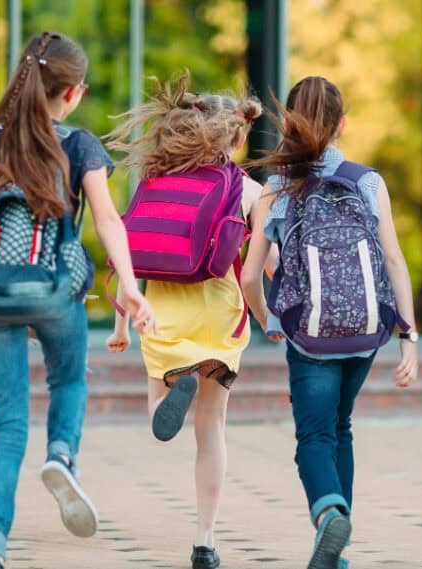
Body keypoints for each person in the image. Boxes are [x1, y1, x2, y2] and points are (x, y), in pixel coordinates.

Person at [0, 31, 154, 569]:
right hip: (52, 290)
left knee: (6, 426)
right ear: (72, 92)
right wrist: (129, 284)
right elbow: (106, 220)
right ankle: (61, 455)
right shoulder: (78, 144)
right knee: (69, 380)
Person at [241, 76, 419, 569]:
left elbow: (252, 274)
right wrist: (410, 339)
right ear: (343, 124)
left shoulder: (275, 188)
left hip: (310, 335)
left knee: (314, 436)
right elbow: (395, 262)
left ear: (291, 123)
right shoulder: (367, 180)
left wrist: (269, 321)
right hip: (366, 335)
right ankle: (338, 547)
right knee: (341, 427)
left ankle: (328, 515)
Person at [104, 75, 264, 569]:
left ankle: (166, 400)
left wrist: (119, 326)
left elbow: (127, 252)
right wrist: (272, 319)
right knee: (211, 428)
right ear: (235, 136)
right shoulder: (250, 190)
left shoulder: (153, 182)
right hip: (220, 308)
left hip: (161, 308)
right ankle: (205, 541)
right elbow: (265, 265)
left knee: (158, 408)